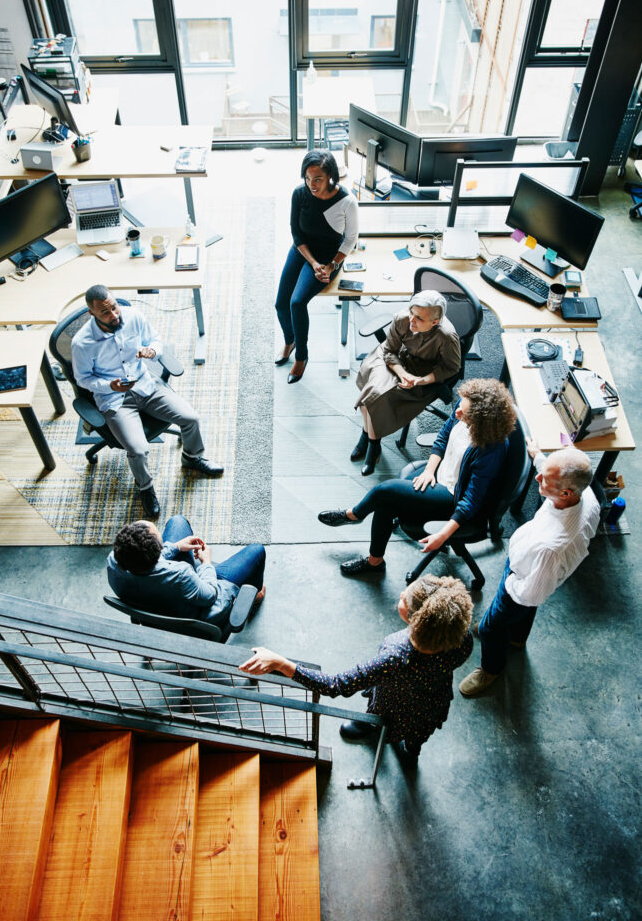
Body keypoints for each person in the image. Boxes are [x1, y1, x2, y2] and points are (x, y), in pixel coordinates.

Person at [239, 574, 473, 769]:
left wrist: (282, 663)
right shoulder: (461, 637)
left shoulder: (395, 658)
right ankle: (411, 752)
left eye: (406, 599)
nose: (402, 594)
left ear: (417, 620)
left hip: (390, 700)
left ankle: (373, 725)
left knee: (380, 713)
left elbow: (335, 685)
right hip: (432, 703)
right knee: (418, 733)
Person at [318, 377, 516, 576]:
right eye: (460, 406)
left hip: (452, 494)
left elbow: (471, 500)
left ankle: (354, 515)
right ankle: (375, 562)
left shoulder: (490, 448)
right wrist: (429, 470)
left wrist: (443, 534)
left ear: (482, 420)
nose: (457, 413)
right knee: (386, 502)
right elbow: (442, 437)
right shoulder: (462, 410)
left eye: (464, 413)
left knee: (384, 491)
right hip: (437, 474)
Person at [71, 284, 223, 519]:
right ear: (92, 313)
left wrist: (152, 351)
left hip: (145, 384)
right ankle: (145, 487)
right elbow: (83, 379)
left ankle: (192, 458)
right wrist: (108, 385)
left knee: (191, 418)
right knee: (139, 450)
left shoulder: (132, 316)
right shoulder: (82, 343)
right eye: (106, 313)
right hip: (115, 399)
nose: (114, 315)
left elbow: (155, 339)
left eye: (114, 307)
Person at [459, 444, 599, 697]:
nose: (538, 479)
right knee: (522, 615)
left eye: (544, 479)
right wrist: (539, 458)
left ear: (566, 493)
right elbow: (551, 474)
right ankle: (517, 638)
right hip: (532, 568)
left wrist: (510, 581)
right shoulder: (584, 495)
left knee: (492, 626)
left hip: (521, 580)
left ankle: (491, 669)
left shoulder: (552, 547)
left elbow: (531, 595)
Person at [352, 291, 461, 475]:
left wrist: (421, 380)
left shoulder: (447, 336)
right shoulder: (402, 318)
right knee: (372, 393)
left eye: (419, 318)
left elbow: (452, 368)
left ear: (435, 322)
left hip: (423, 372)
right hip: (394, 360)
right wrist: (402, 374)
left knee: (374, 397)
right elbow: (388, 351)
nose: (412, 320)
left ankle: (370, 442)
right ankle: (372, 441)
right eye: (412, 312)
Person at [275, 149, 359, 384]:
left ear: (331, 176)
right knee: (281, 304)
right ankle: (290, 340)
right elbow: (295, 232)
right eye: (308, 178)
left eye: (318, 179)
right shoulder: (299, 194)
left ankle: (302, 355)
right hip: (303, 252)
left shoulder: (347, 202)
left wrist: (331, 265)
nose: (312, 184)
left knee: (297, 302)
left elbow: (351, 239)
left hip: (329, 259)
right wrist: (311, 263)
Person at [107, 515, 266, 630]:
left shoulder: (113, 562)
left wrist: (175, 547)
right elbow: (210, 594)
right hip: (196, 612)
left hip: (149, 602)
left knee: (177, 521)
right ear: (157, 552)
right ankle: (254, 594)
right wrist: (206, 563)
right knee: (257, 551)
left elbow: (147, 563)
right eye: (161, 541)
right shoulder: (181, 573)